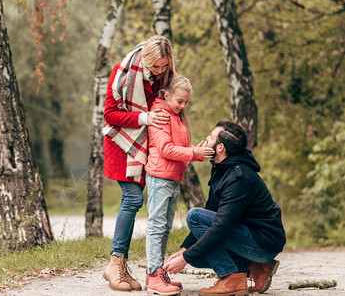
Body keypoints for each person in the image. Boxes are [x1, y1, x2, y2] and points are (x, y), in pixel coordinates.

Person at [163, 121, 286, 296]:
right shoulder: (222, 168)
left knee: (193, 216)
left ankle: (232, 278)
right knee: (196, 258)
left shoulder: (239, 178)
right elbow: (212, 211)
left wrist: (184, 258)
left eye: (211, 136)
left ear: (220, 147)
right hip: (248, 235)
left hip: (263, 242)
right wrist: (185, 250)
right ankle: (256, 267)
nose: (207, 138)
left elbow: (220, 226)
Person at [102, 35, 176, 292]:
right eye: (155, 67)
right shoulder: (122, 73)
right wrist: (144, 117)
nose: (159, 71)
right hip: (124, 145)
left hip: (147, 147)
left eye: (164, 66)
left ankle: (123, 267)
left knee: (139, 202)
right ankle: (115, 263)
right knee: (133, 200)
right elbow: (110, 115)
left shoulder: (164, 77)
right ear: (145, 59)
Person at [144, 74, 214, 296]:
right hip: (159, 177)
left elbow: (178, 146)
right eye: (179, 101)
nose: (183, 106)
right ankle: (154, 274)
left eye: (186, 102)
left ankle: (156, 273)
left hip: (173, 178)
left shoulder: (176, 116)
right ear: (166, 95)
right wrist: (193, 152)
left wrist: (197, 152)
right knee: (156, 226)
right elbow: (165, 149)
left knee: (165, 227)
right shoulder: (160, 115)